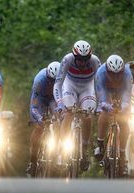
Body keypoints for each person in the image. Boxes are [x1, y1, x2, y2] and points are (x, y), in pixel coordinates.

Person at [53, 40, 101, 171]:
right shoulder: (67, 59)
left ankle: (84, 151)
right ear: (74, 56)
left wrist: (101, 104)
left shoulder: (95, 61)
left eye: (86, 59)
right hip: (70, 86)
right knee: (68, 113)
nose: (83, 62)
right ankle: (62, 148)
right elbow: (57, 84)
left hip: (88, 87)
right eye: (79, 59)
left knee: (88, 115)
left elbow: (100, 84)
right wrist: (60, 104)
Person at [93, 54, 133, 176]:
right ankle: (100, 144)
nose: (115, 77)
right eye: (112, 74)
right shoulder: (100, 73)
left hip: (121, 91)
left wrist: (122, 108)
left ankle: (122, 154)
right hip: (106, 90)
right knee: (105, 112)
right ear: (107, 71)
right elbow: (102, 99)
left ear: (122, 71)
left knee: (124, 121)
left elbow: (127, 98)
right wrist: (109, 107)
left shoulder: (127, 74)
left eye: (118, 74)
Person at [26, 61, 61, 177]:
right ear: (47, 77)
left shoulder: (64, 80)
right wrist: (39, 119)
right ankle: (33, 161)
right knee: (38, 127)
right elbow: (34, 107)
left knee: (58, 123)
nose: (52, 84)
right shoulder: (39, 80)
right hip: (40, 99)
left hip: (54, 99)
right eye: (51, 81)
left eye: (55, 82)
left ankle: (56, 154)